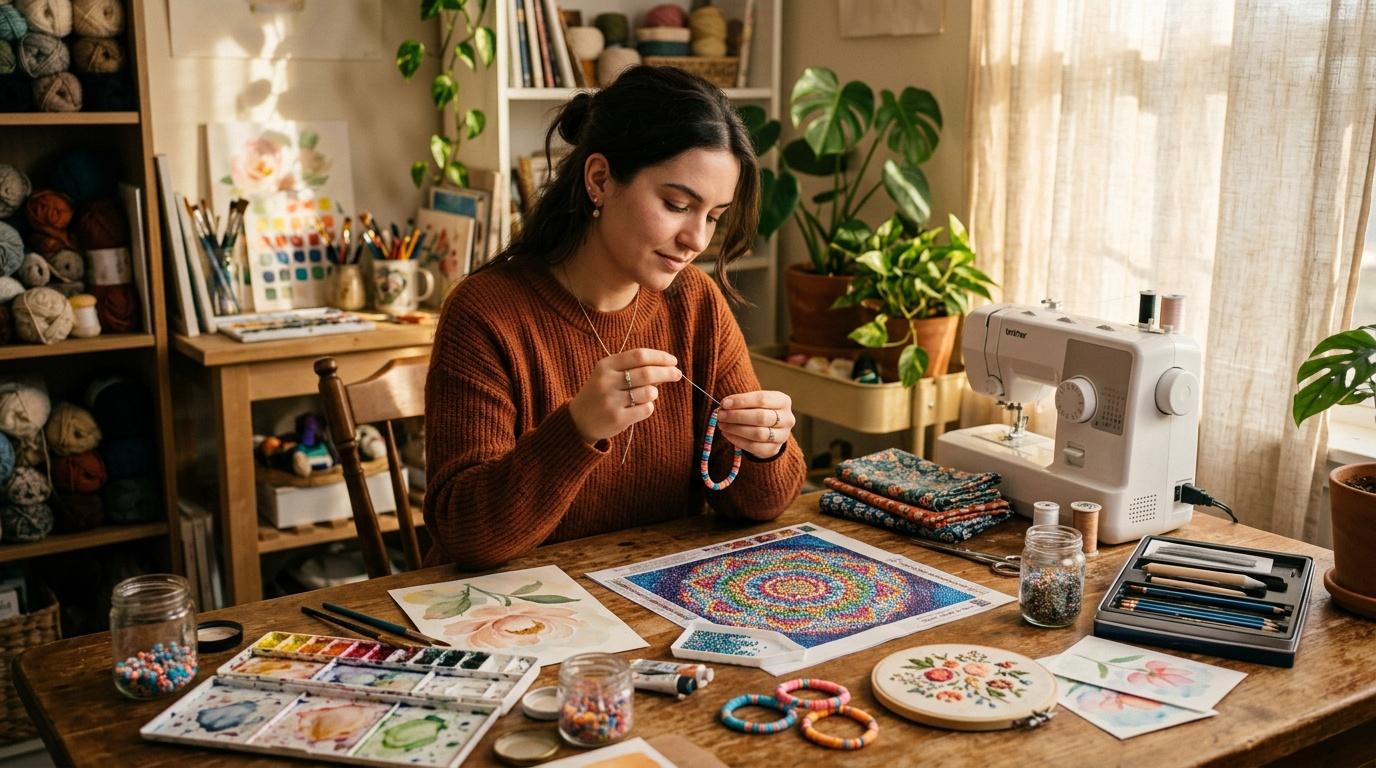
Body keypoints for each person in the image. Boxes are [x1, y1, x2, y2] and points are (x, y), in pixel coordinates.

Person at [423, 66, 805, 569]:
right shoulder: (486, 312)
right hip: (515, 620)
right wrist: (577, 430)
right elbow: (465, 534)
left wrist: (765, 448)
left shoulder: (694, 302)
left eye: (713, 217)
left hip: (646, 604)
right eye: (676, 204)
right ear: (600, 179)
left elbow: (758, 506)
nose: (696, 240)